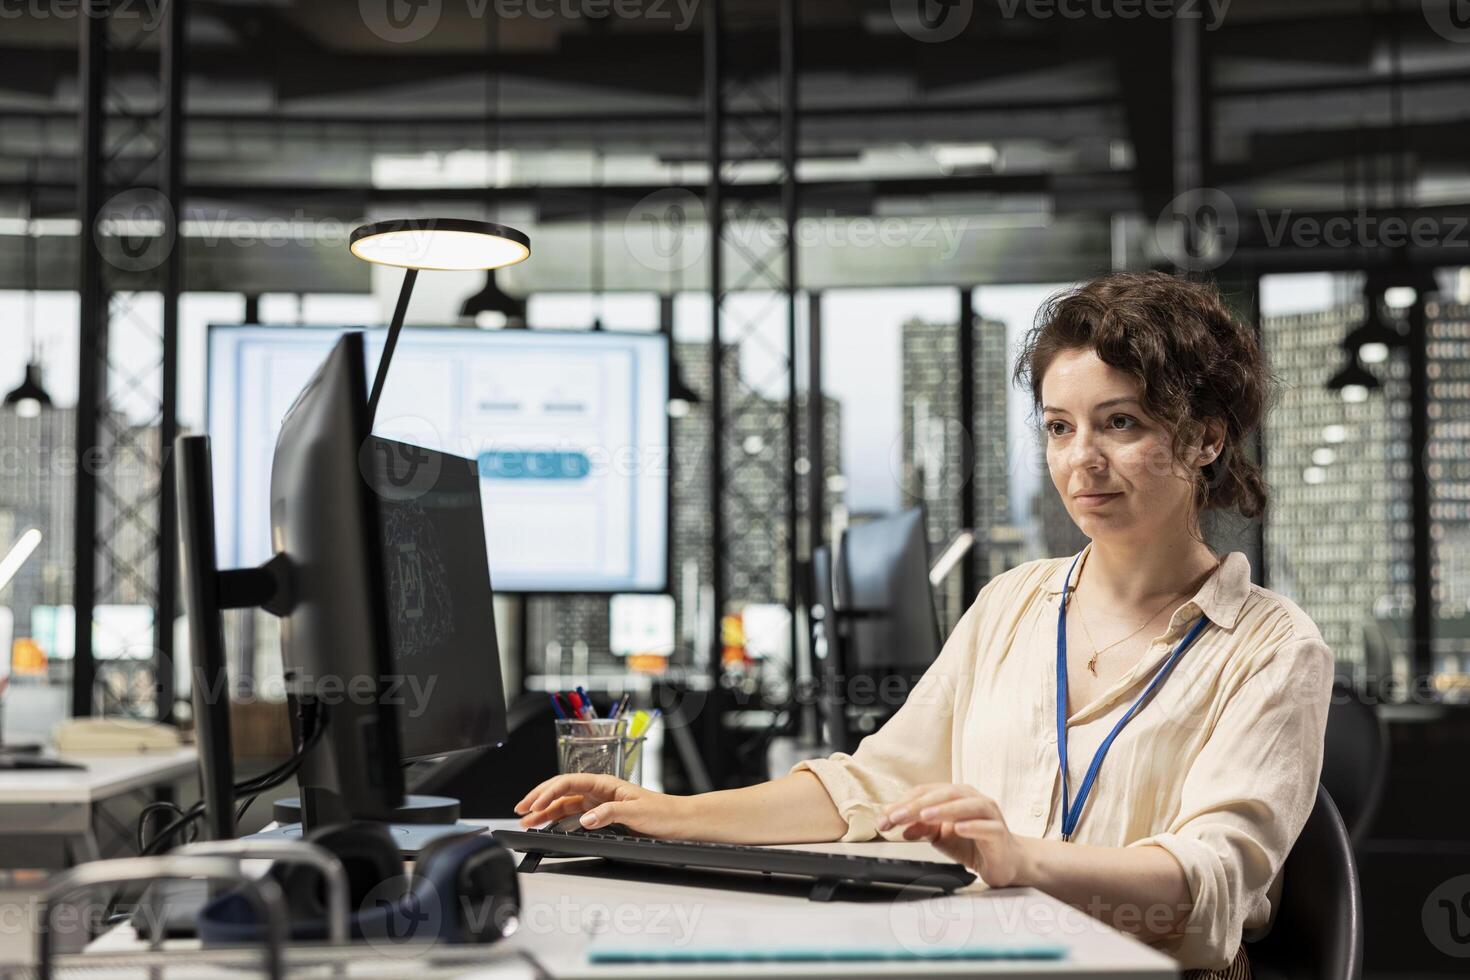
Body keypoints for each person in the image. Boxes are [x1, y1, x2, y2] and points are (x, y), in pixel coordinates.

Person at [515, 271, 1333, 978]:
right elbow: (872, 786)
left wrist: (1021, 860)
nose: (1081, 459)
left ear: (1206, 438)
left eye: (1120, 423)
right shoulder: (1012, 603)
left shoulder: (1272, 645)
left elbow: (1213, 879)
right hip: (990, 955)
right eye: (1058, 426)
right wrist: (659, 812)